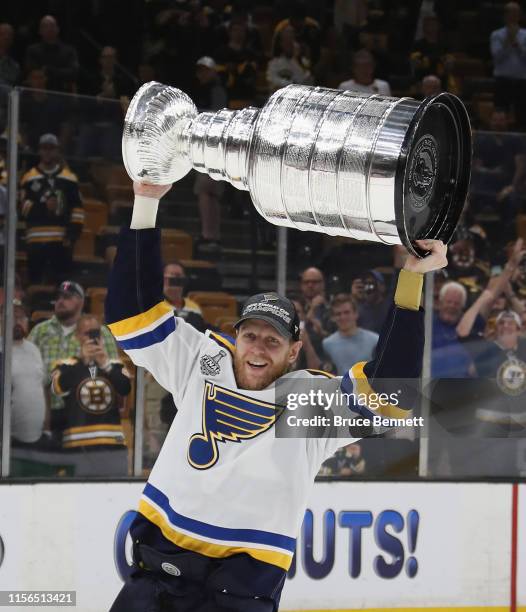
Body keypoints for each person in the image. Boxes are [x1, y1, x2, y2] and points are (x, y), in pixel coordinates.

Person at [106, 180, 446, 611]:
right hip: (159, 575)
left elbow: (390, 393)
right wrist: (147, 198)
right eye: (251, 336)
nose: (259, 349)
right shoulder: (200, 362)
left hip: (239, 589)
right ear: (237, 336)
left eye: (273, 341)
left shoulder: (305, 401)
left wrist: (411, 279)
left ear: (294, 351)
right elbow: (130, 314)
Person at [28, 280, 119, 438]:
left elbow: (114, 373)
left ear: (82, 301)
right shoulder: (39, 331)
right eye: (58, 297)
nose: (61, 301)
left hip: (84, 412)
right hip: (45, 411)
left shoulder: (100, 333)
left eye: (68, 297)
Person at [50, 314, 131, 476]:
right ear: (77, 336)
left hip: (112, 445)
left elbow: (125, 388)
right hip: (77, 446)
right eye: (87, 333)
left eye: (96, 332)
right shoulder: (64, 365)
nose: (92, 337)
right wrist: (83, 361)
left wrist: (105, 364)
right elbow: (58, 387)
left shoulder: (115, 364)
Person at [19, 134, 84, 284]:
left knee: (61, 285)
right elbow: (22, 208)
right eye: (44, 148)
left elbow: (78, 210)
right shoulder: (29, 178)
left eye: (51, 148)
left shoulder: (69, 179)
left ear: (57, 151)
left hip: (60, 241)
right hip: (36, 240)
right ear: (39, 151)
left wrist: (72, 235)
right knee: (35, 284)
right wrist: (44, 207)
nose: (47, 152)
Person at [191, 56, 227, 253]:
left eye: (205, 70)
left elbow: (216, 117)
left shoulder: (215, 90)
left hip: (211, 146)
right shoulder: (206, 90)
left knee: (206, 190)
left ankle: (208, 234)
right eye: (200, 70)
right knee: (210, 192)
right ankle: (213, 235)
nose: (201, 74)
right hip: (209, 146)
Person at [2, 300, 47, 447]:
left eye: (21, 318)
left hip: (34, 435)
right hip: (6, 439)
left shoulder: (33, 349)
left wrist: (46, 425)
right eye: (12, 317)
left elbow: (41, 387)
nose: (17, 322)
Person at [322, 294, 379, 375]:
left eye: (347, 312)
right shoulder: (327, 344)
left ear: (356, 314)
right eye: (338, 314)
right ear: (333, 317)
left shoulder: (374, 340)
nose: (343, 317)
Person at [490, 2, 526, 130]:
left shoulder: (525, 35)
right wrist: (508, 41)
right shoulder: (497, 35)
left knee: (522, 116)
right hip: (502, 80)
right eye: (510, 13)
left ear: (520, 15)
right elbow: (497, 57)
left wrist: (517, 43)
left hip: (522, 81)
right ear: (505, 16)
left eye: (516, 13)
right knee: (500, 112)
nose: (513, 16)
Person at [25, 15, 79, 92]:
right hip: (40, 94)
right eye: (45, 26)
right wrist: (61, 72)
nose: (50, 29)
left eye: (52, 25)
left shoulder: (69, 50)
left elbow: (74, 74)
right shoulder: (32, 50)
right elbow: (33, 73)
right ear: (40, 31)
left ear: (58, 29)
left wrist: (49, 70)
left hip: (63, 93)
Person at [163, 261, 207, 333]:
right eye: (171, 276)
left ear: (184, 280)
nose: (175, 279)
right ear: (163, 279)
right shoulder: (156, 305)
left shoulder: (194, 307)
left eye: (178, 276)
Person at [267, 26, 314, 91]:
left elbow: (306, 83)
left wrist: (296, 59)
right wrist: (291, 84)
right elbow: (272, 82)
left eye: (291, 39)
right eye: (286, 40)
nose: (288, 44)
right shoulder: (274, 63)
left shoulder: (303, 63)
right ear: (281, 44)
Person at [351, 270, 391, 334]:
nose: (368, 287)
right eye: (365, 284)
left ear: (382, 287)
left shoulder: (391, 309)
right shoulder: (359, 311)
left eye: (371, 283)